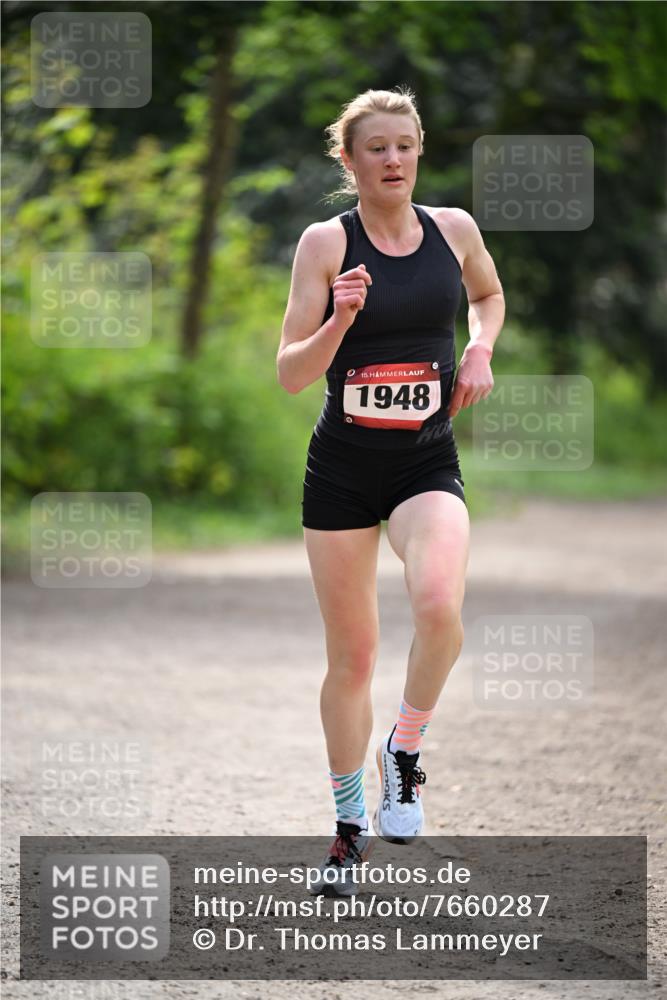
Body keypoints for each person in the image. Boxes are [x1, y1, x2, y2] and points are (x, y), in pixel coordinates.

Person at [277, 87, 504, 896]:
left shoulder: (454, 230)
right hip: (340, 469)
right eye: (376, 147)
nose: (394, 159)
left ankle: (403, 749)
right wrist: (337, 322)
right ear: (349, 160)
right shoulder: (323, 242)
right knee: (355, 656)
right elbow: (289, 373)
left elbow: (487, 293)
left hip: (423, 462)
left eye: (405, 144)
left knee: (440, 605)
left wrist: (478, 349)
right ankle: (346, 831)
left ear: (419, 151)